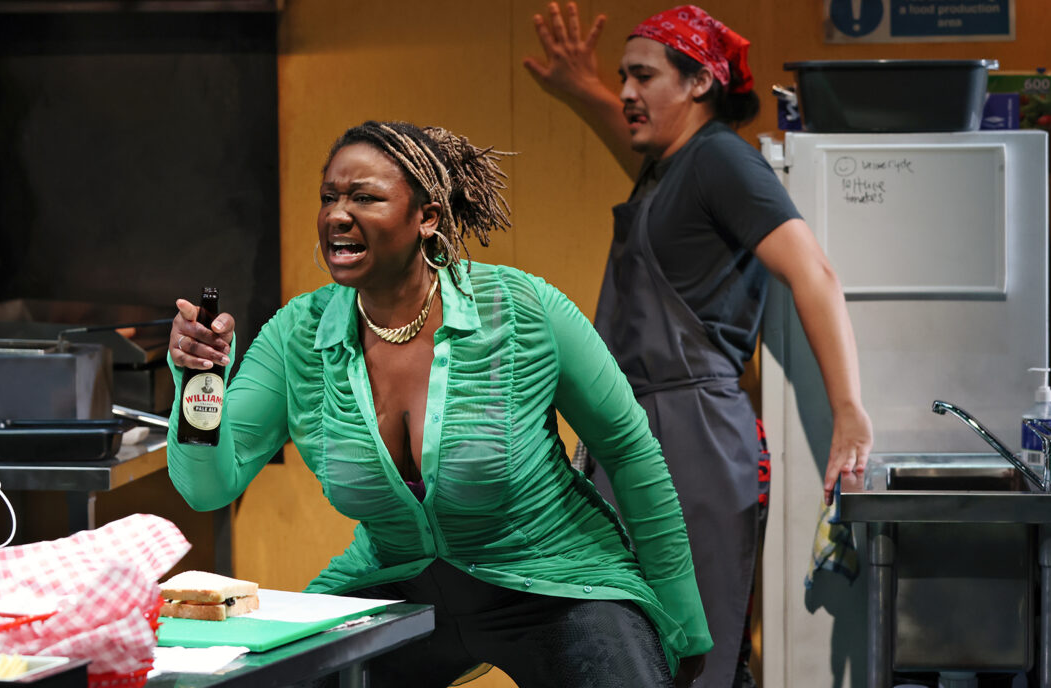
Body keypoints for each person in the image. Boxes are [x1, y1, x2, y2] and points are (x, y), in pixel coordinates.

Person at [167, 120, 713, 687]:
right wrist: (197, 382)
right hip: (396, 583)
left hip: (557, 584)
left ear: (426, 217)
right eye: (329, 197)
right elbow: (209, 487)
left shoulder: (524, 309)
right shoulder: (297, 336)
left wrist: (684, 622)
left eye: (364, 198)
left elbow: (629, 451)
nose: (336, 215)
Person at [523, 3, 874, 687]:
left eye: (643, 76)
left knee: (694, 656)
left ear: (699, 84)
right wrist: (580, 88)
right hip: (639, 430)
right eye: (622, 77)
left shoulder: (720, 161)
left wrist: (849, 408)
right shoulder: (667, 166)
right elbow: (625, 127)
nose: (625, 92)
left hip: (695, 437)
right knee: (623, 643)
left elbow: (814, 272)